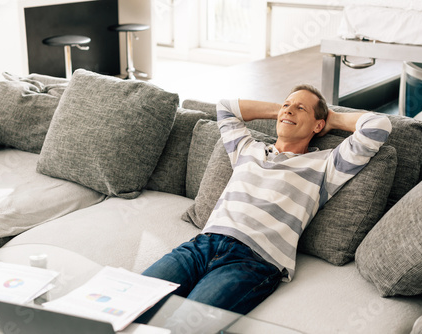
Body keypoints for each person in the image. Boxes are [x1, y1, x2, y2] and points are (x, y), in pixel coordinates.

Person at [143, 84, 392, 315]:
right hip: (200, 246)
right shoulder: (248, 149)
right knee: (128, 304)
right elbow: (225, 107)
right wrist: (283, 111)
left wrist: (331, 118)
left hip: (252, 261)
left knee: (186, 324)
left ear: (318, 126)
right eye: (287, 104)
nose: (289, 110)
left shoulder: (326, 166)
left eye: (300, 108)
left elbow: (378, 126)